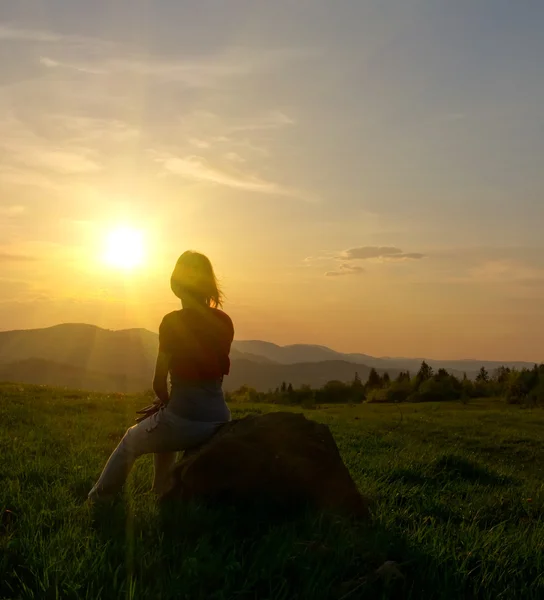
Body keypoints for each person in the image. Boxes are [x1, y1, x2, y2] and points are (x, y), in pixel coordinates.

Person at [88, 251, 234, 500]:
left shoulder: (172, 322)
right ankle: (160, 491)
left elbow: (158, 383)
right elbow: (213, 371)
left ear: (176, 284)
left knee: (130, 441)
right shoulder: (224, 321)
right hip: (219, 417)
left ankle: (97, 500)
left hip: (186, 418)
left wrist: (165, 400)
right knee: (164, 425)